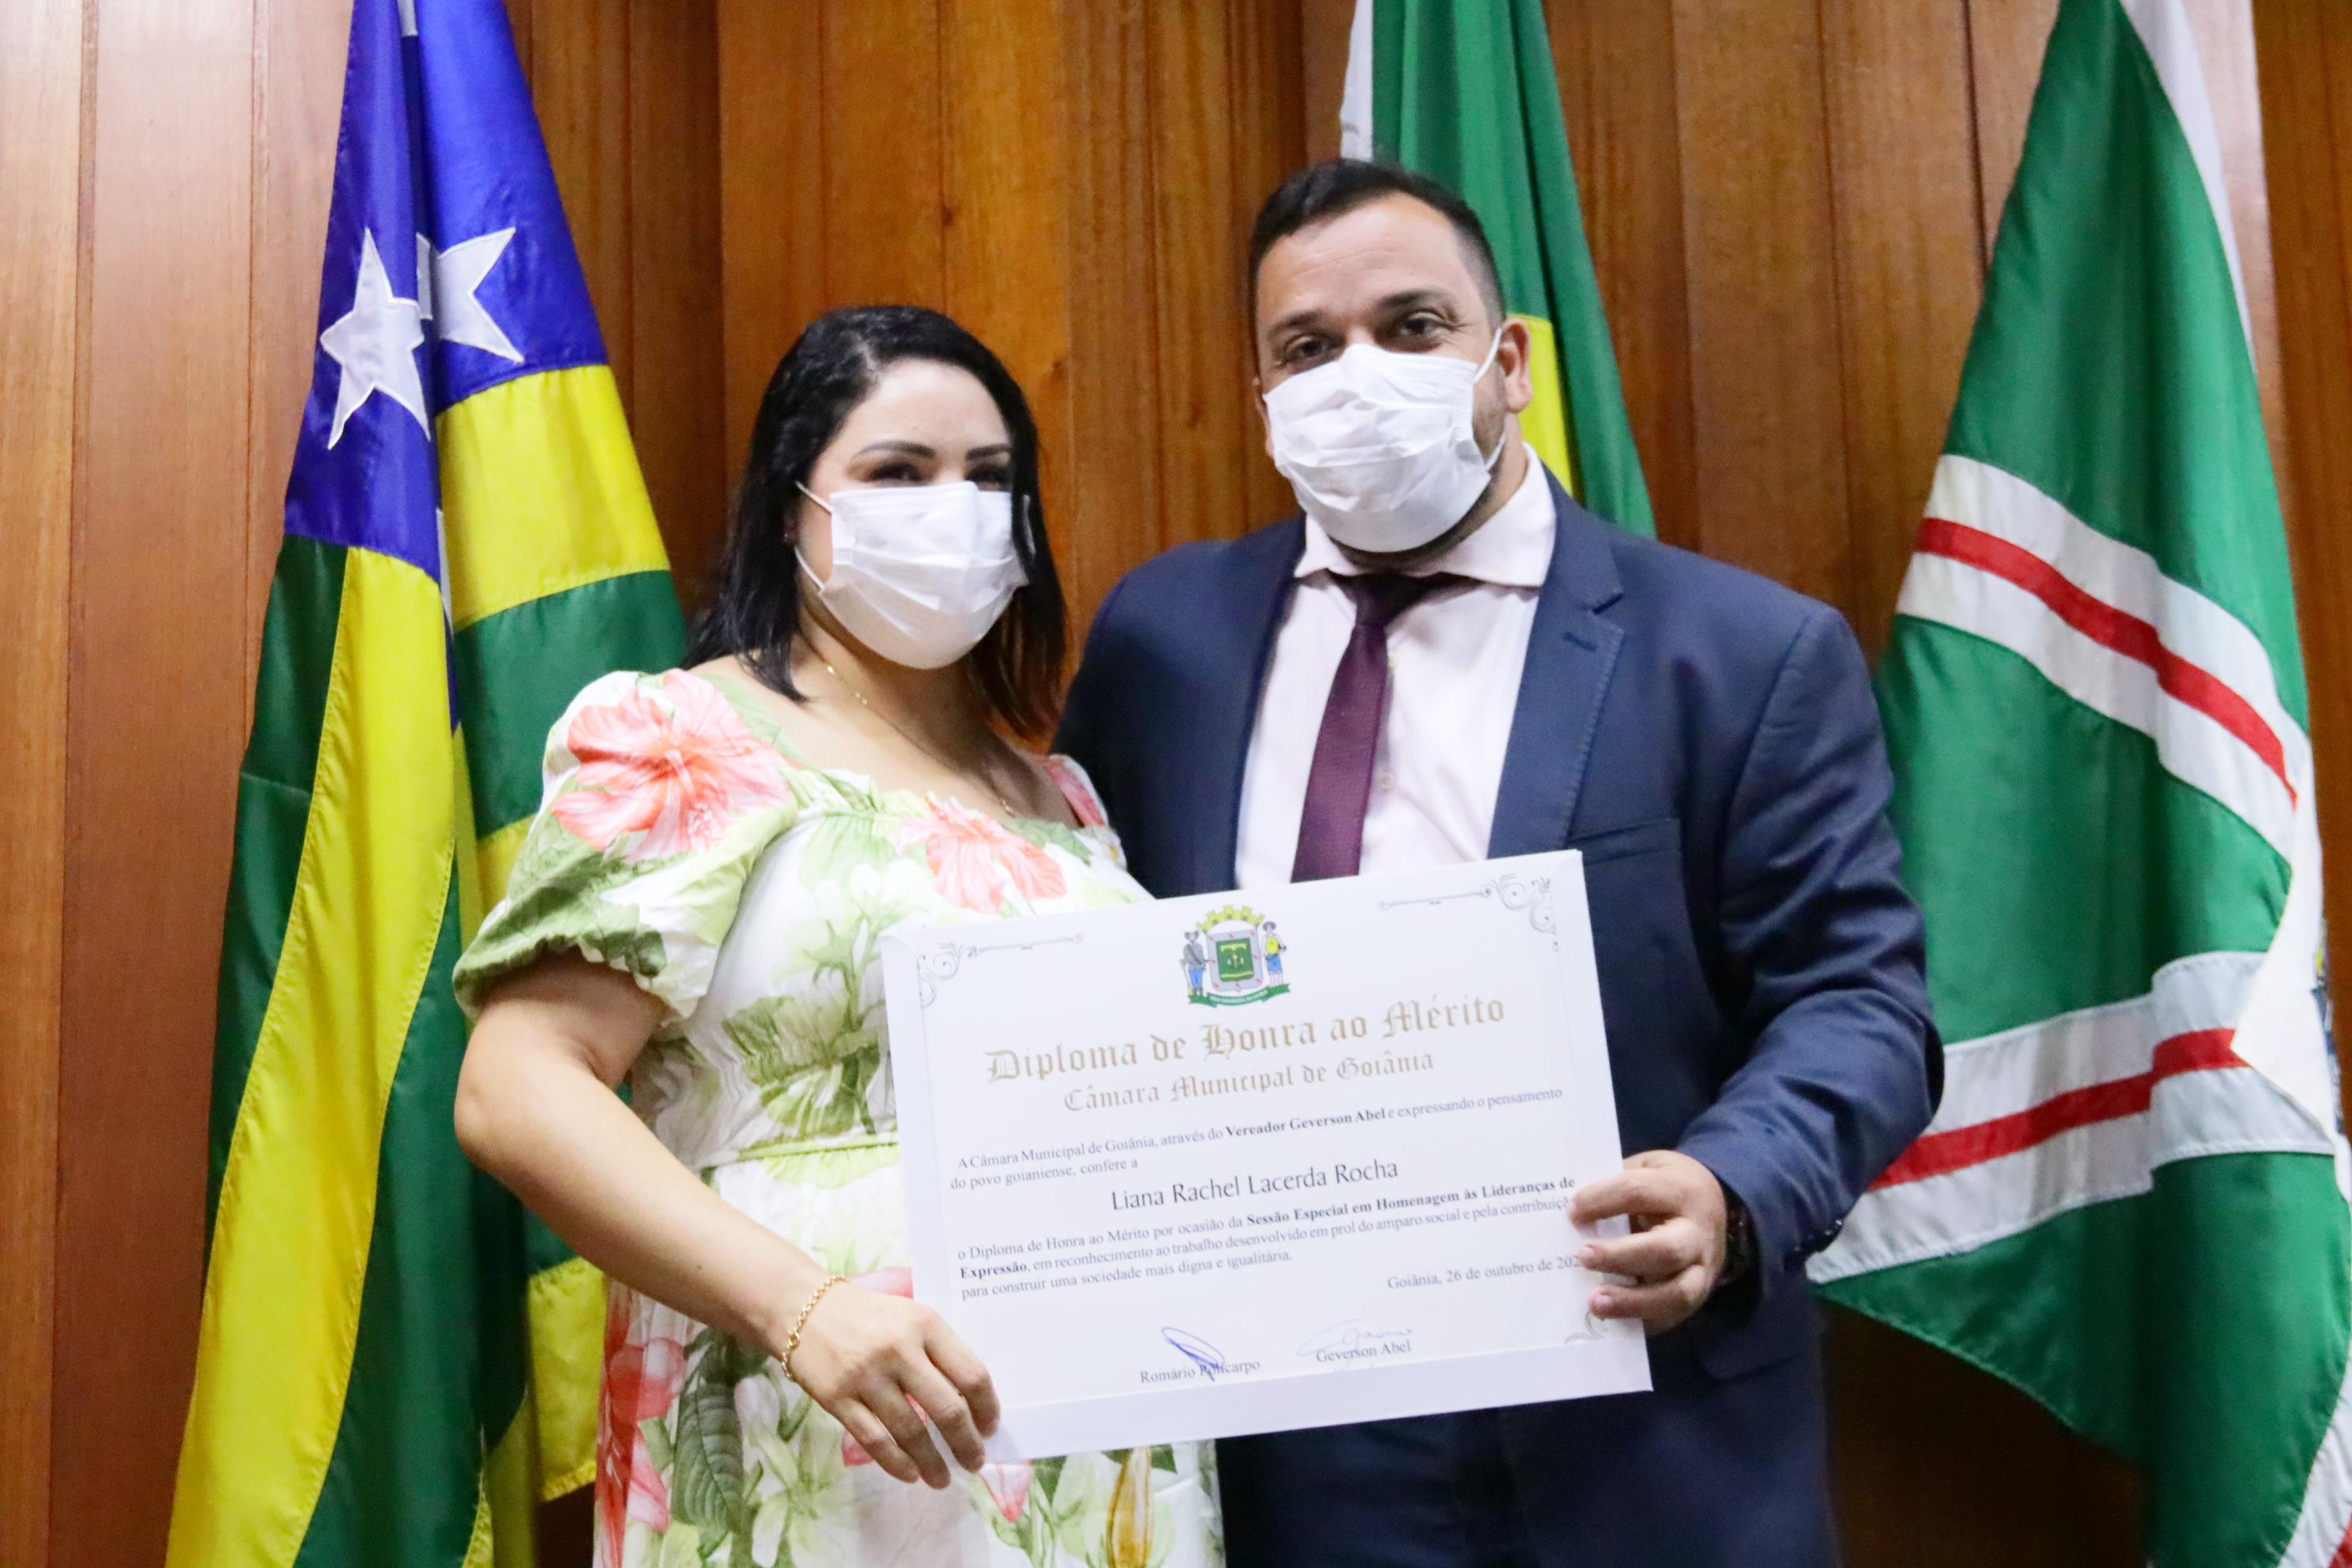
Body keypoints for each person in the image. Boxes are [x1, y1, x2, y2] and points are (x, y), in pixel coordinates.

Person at [1056, 160, 1939, 1566]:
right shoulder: (1167, 641)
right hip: (1286, 1448)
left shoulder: (1741, 653)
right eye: (1308, 347)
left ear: (1508, 361)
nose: (1360, 374)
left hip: (1639, 1435)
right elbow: (1086, 961)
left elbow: (1860, 1002)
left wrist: (1729, 1187)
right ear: (1263, 397)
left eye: (1413, 327)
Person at [452, 306, 1223, 1568]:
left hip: (1088, 1451)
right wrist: (805, 1311)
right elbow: (516, 1089)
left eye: (991, 478)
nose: (954, 509)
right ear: (789, 509)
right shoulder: (685, 737)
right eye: (897, 473)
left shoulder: (1064, 798)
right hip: (810, 1422)